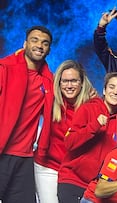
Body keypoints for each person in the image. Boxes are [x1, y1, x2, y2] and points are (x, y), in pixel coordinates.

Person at [0, 25, 53, 203]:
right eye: (35, 40)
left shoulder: (48, 81)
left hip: (25, 156)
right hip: (2, 151)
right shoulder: (4, 69)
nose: (40, 45)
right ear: (25, 44)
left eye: (45, 43)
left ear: (49, 50)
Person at [57, 72, 117, 203]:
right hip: (73, 180)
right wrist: (94, 126)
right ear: (104, 90)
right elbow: (69, 143)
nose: (115, 92)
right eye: (111, 87)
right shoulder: (88, 109)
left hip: (97, 188)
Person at [34, 60, 94, 203]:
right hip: (47, 166)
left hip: (73, 172)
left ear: (81, 83)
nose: (69, 85)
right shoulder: (51, 101)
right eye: (65, 81)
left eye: (73, 81)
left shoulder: (90, 107)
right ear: (58, 83)